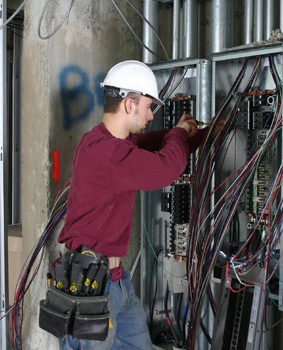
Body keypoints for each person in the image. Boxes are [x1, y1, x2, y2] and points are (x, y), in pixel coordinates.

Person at [57, 60, 206, 350]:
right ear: (129, 104)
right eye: (149, 106)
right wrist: (178, 133)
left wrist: (198, 134)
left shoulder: (106, 142)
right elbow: (166, 169)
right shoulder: (107, 153)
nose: (151, 114)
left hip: (115, 280)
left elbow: (152, 143)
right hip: (93, 285)